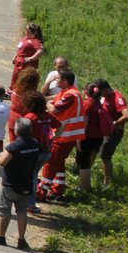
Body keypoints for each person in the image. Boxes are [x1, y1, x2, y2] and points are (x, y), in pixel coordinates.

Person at [0, 117, 42, 251]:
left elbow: (2, 163)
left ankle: (1, 236)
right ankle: (21, 240)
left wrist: (0, 154)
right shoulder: (35, 144)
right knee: (22, 211)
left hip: (11, 185)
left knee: (5, 211)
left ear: (17, 131)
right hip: (27, 184)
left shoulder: (14, 146)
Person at [36, 69, 84, 200]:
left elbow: (55, 110)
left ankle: (41, 192)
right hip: (67, 134)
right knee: (58, 162)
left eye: (58, 79)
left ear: (65, 81)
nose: (56, 81)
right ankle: (58, 189)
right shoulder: (70, 92)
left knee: (51, 163)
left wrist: (43, 101)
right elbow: (55, 102)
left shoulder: (70, 95)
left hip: (64, 135)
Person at [72, 80, 116, 195]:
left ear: (86, 92)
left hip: (88, 138)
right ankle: (86, 185)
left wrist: (79, 139)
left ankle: (84, 188)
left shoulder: (87, 105)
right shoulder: (98, 103)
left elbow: (84, 125)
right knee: (88, 161)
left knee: (83, 163)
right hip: (98, 138)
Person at [99, 81, 128, 187]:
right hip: (106, 130)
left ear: (105, 90)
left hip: (114, 132)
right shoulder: (106, 96)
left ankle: (107, 183)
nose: (100, 95)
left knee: (105, 156)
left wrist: (116, 123)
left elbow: (127, 116)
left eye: (100, 92)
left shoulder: (117, 98)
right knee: (101, 153)